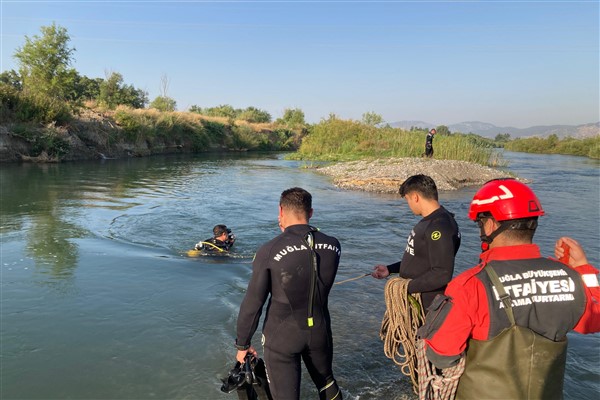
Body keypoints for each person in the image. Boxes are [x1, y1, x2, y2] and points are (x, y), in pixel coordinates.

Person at [418, 178, 600, 399]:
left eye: (481, 223)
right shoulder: (569, 277)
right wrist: (583, 268)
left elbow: (441, 355)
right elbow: (594, 320)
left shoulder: (470, 285)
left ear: (491, 225)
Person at [234, 187, 343, 400]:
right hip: (320, 331)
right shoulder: (333, 245)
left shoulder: (269, 250)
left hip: (282, 335)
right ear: (311, 212)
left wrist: (243, 344)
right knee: (327, 383)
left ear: (280, 211)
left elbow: (253, 302)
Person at [372, 174, 461, 311]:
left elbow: (442, 274)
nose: (409, 204)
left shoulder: (440, 226)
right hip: (415, 300)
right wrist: (390, 269)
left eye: (407, 199)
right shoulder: (431, 221)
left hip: (427, 306)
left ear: (415, 197)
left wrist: (405, 287)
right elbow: (420, 258)